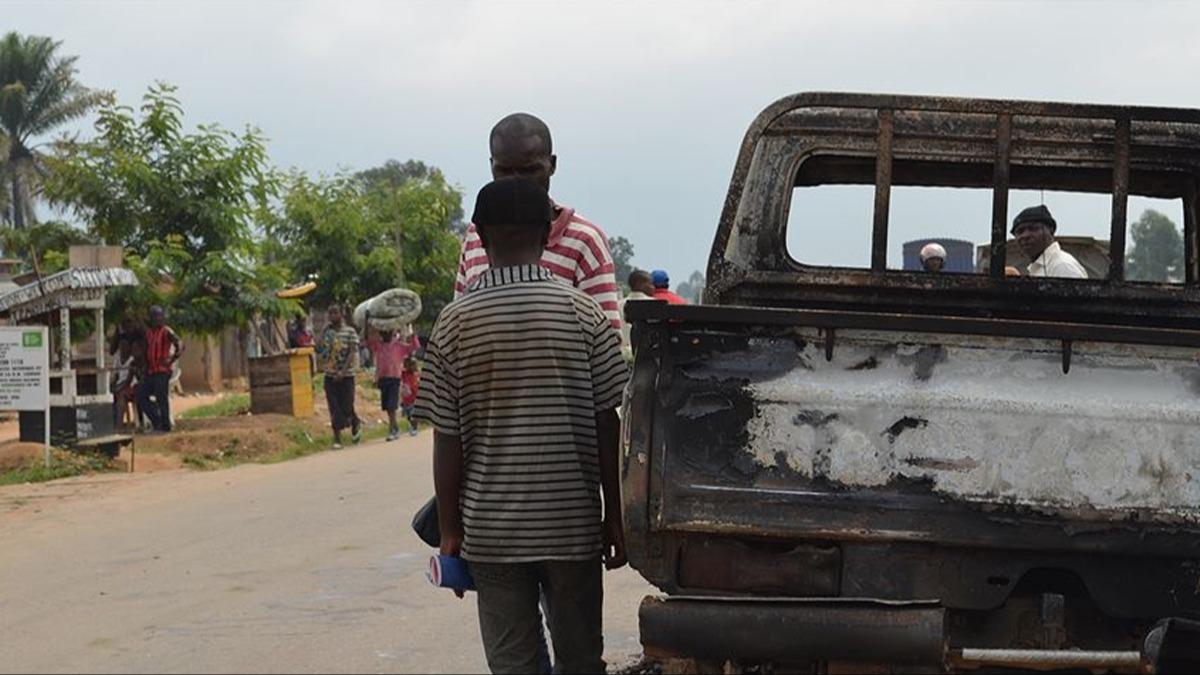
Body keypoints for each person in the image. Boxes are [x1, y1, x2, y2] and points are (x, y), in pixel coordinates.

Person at [417, 178, 629, 675]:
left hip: (491, 535)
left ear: (481, 238)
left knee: (514, 664)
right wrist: (614, 517)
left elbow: (447, 438)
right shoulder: (585, 315)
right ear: (545, 236)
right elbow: (609, 425)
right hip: (573, 528)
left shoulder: (453, 322)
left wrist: (450, 530)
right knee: (581, 660)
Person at [453, 113, 622, 335]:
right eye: (504, 170)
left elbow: (606, 341)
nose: (516, 182)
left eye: (529, 170)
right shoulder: (476, 235)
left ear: (551, 166)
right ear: (491, 165)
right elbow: (459, 327)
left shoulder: (585, 241)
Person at [316, 305, 362, 449]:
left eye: (335, 313)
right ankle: (337, 438)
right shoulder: (328, 333)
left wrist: (342, 371)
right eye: (329, 313)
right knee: (334, 406)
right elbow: (318, 348)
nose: (332, 316)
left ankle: (355, 422)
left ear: (341, 315)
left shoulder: (350, 332)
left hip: (346, 375)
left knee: (347, 404)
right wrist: (323, 331)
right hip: (330, 374)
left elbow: (352, 352)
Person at [366, 326, 421, 441]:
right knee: (386, 406)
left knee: (391, 405)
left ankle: (392, 429)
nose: (386, 334)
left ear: (392, 332)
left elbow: (413, 347)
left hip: (395, 378)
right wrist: (368, 325)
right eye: (383, 332)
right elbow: (368, 342)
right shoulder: (379, 346)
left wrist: (413, 336)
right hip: (382, 378)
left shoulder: (398, 345)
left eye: (388, 332)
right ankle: (395, 427)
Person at [138, 306, 184, 433]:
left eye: (160, 316)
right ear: (151, 318)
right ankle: (157, 421)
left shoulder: (166, 331)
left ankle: (165, 427)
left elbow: (179, 344)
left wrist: (172, 359)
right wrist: (144, 370)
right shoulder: (149, 333)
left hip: (163, 371)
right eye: (155, 316)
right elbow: (146, 351)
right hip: (151, 371)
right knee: (141, 396)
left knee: (161, 397)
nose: (158, 319)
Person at [1012, 205, 1088, 278]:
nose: (1025, 235)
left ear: (1051, 230)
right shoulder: (1038, 268)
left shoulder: (1062, 265)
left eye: (1033, 229)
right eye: (1020, 231)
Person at [619, 270, 655, 359]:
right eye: (650, 284)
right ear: (638, 284)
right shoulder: (655, 305)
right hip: (647, 359)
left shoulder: (617, 305)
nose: (653, 287)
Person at [400, 356, 420, 437]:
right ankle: (412, 426)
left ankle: (415, 428)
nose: (411, 367)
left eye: (413, 365)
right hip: (406, 400)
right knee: (408, 416)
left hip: (414, 399)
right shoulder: (404, 374)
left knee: (413, 415)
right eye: (408, 365)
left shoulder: (417, 375)